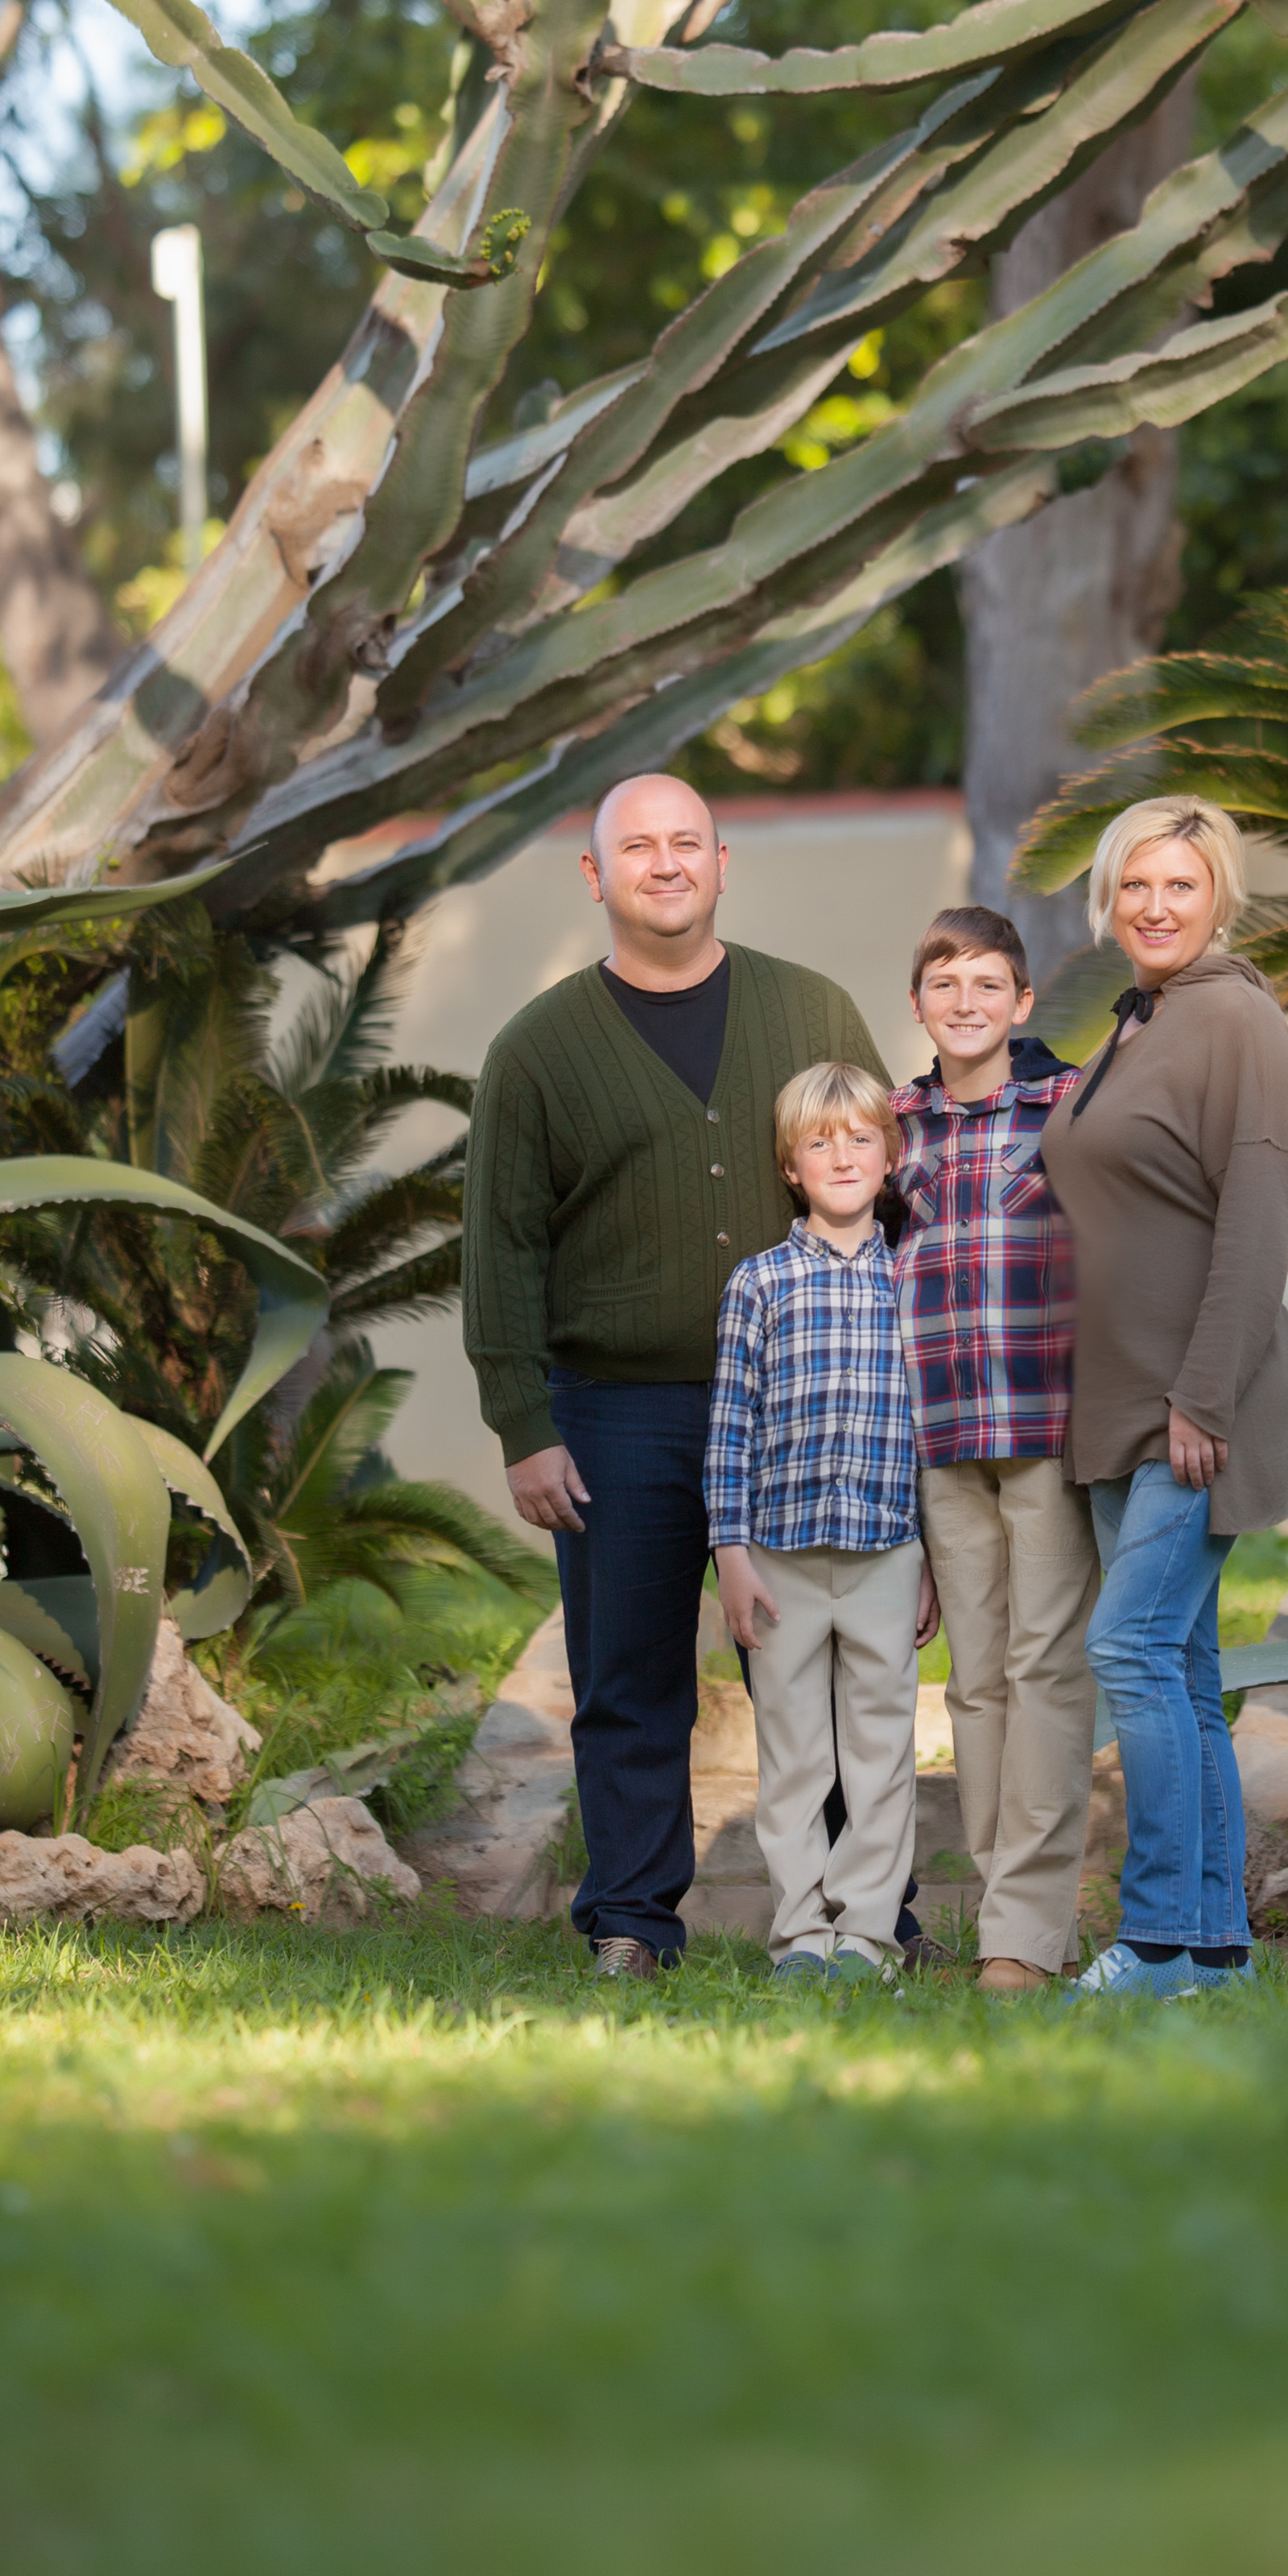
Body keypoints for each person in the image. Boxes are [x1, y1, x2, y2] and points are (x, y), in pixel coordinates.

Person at [461, 772, 889, 1983]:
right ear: (594, 877)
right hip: (615, 1413)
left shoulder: (813, 1013)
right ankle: (633, 1921)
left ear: (721, 862)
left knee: (815, 1669)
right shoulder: (538, 1049)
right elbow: (501, 1247)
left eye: (686, 842)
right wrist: (522, 1421)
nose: (664, 864)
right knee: (630, 1679)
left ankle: (863, 1915)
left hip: (803, 1408)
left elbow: (887, 1197)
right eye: (636, 847)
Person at [1038, 796, 1288, 2002]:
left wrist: (1201, 1395)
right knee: (1183, 1670)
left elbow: (1255, 1232)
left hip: (1194, 1406)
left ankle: (1151, 1939)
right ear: (1108, 897)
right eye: (1134, 886)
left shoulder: (1239, 1022)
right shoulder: (1134, 1027)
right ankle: (1210, 1946)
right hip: (1119, 1401)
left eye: (1179, 887)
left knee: (1130, 1647)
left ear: (1220, 899)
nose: (1152, 907)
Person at [891, 905, 1098, 1995]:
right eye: (944, 985)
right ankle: (1000, 1892)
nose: (965, 1003)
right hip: (940, 1439)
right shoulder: (894, 1128)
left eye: (987, 985)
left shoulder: (1067, 1105)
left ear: (1021, 1005)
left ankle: (1026, 1932)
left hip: (1048, 1432)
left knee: (1046, 1670)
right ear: (919, 1004)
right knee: (974, 1682)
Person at [707, 1064, 939, 1985]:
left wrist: (930, 1556)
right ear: (791, 1167)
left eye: (859, 1138)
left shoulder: (914, 1280)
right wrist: (731, 1552)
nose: (841, 1155)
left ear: (890, 1158)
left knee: (881, 1754)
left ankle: (870, 1939)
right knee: (796, 1757)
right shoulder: (757, 1284)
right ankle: (802, 1934)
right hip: (779, 1556)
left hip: (888, 1549)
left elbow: (933, 1430)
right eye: (819, 1141)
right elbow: (729, 1425)